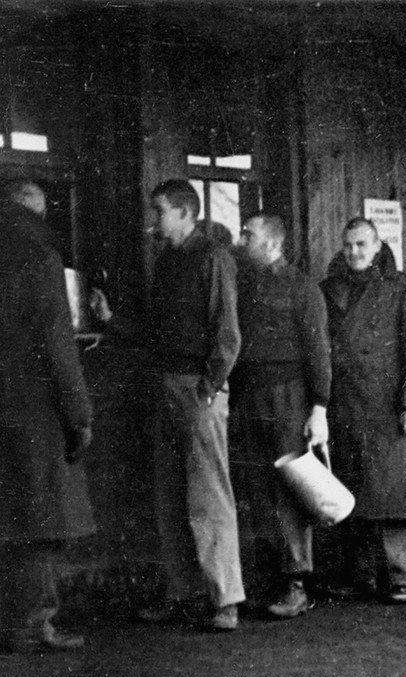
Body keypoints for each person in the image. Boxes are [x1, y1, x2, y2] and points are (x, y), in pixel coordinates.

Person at [91, 179, 244, 631]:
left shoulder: (213, 258)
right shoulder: (168, 261)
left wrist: (208, 389)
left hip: (198, 389)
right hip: (166, 387)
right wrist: (110, 320)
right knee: (170, 497)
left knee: (209, 497)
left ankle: (226, 601)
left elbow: (228, 334)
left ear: (184, 213)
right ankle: (183, 594)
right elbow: (156, 331)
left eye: (159, 211)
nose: (153, 220)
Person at [0, 187, 94, 652]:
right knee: (42, 520)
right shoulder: (39, 256)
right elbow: (58, 345)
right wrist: (80, 415)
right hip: (34, 410)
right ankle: (30, 625)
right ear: (36, 210)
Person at [321, 218, 406, 603]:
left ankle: (402, 574)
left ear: (378, 245)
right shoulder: (331, 288)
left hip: (388, 405)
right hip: (347, 404)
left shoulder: (402, 287)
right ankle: (362, 574)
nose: (354, 252)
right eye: (348, 245)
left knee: (395, 494)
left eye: (362, 245)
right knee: (355, 492)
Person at [230, 213, 330, 618]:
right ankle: (270, 579)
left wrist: (319, 407)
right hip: (249, 395)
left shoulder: (302, 287)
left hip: (289, 396)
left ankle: (296, 584)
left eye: (248, 235)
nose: (241, 241)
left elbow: (319, 351)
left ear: (272, 243)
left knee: (290, 486)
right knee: (256, 486)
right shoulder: (243, 284)